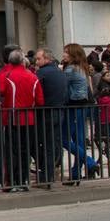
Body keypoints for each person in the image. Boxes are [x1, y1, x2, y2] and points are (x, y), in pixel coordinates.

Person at [0, 50, 43, 191]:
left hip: (12, 118)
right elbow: (40, 100)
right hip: (29, 118)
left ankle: (11, 181)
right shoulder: (33, 76)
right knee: (25, 150)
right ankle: (23, 180)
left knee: (11, 151)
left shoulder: (6, 75)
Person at [61, 44, 99, 184]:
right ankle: (76, 172)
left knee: (64, 139)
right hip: (83, 106)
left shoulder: (71, 69)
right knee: (79, 141)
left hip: (73, 106)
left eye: (65, 52)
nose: (63, 54)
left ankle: (89, 163)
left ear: (72, 54)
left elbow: (63, 89)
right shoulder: (82, 68)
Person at [34, 49, 67, 185]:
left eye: (38, 59)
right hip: (59, 111)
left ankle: (46, 176)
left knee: (44, 144)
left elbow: (37, 95)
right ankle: (52, 170)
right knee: (53, 143)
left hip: (45, 112)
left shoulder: (41, 74)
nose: (36, 62)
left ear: (47, 59)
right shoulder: (60, 73)